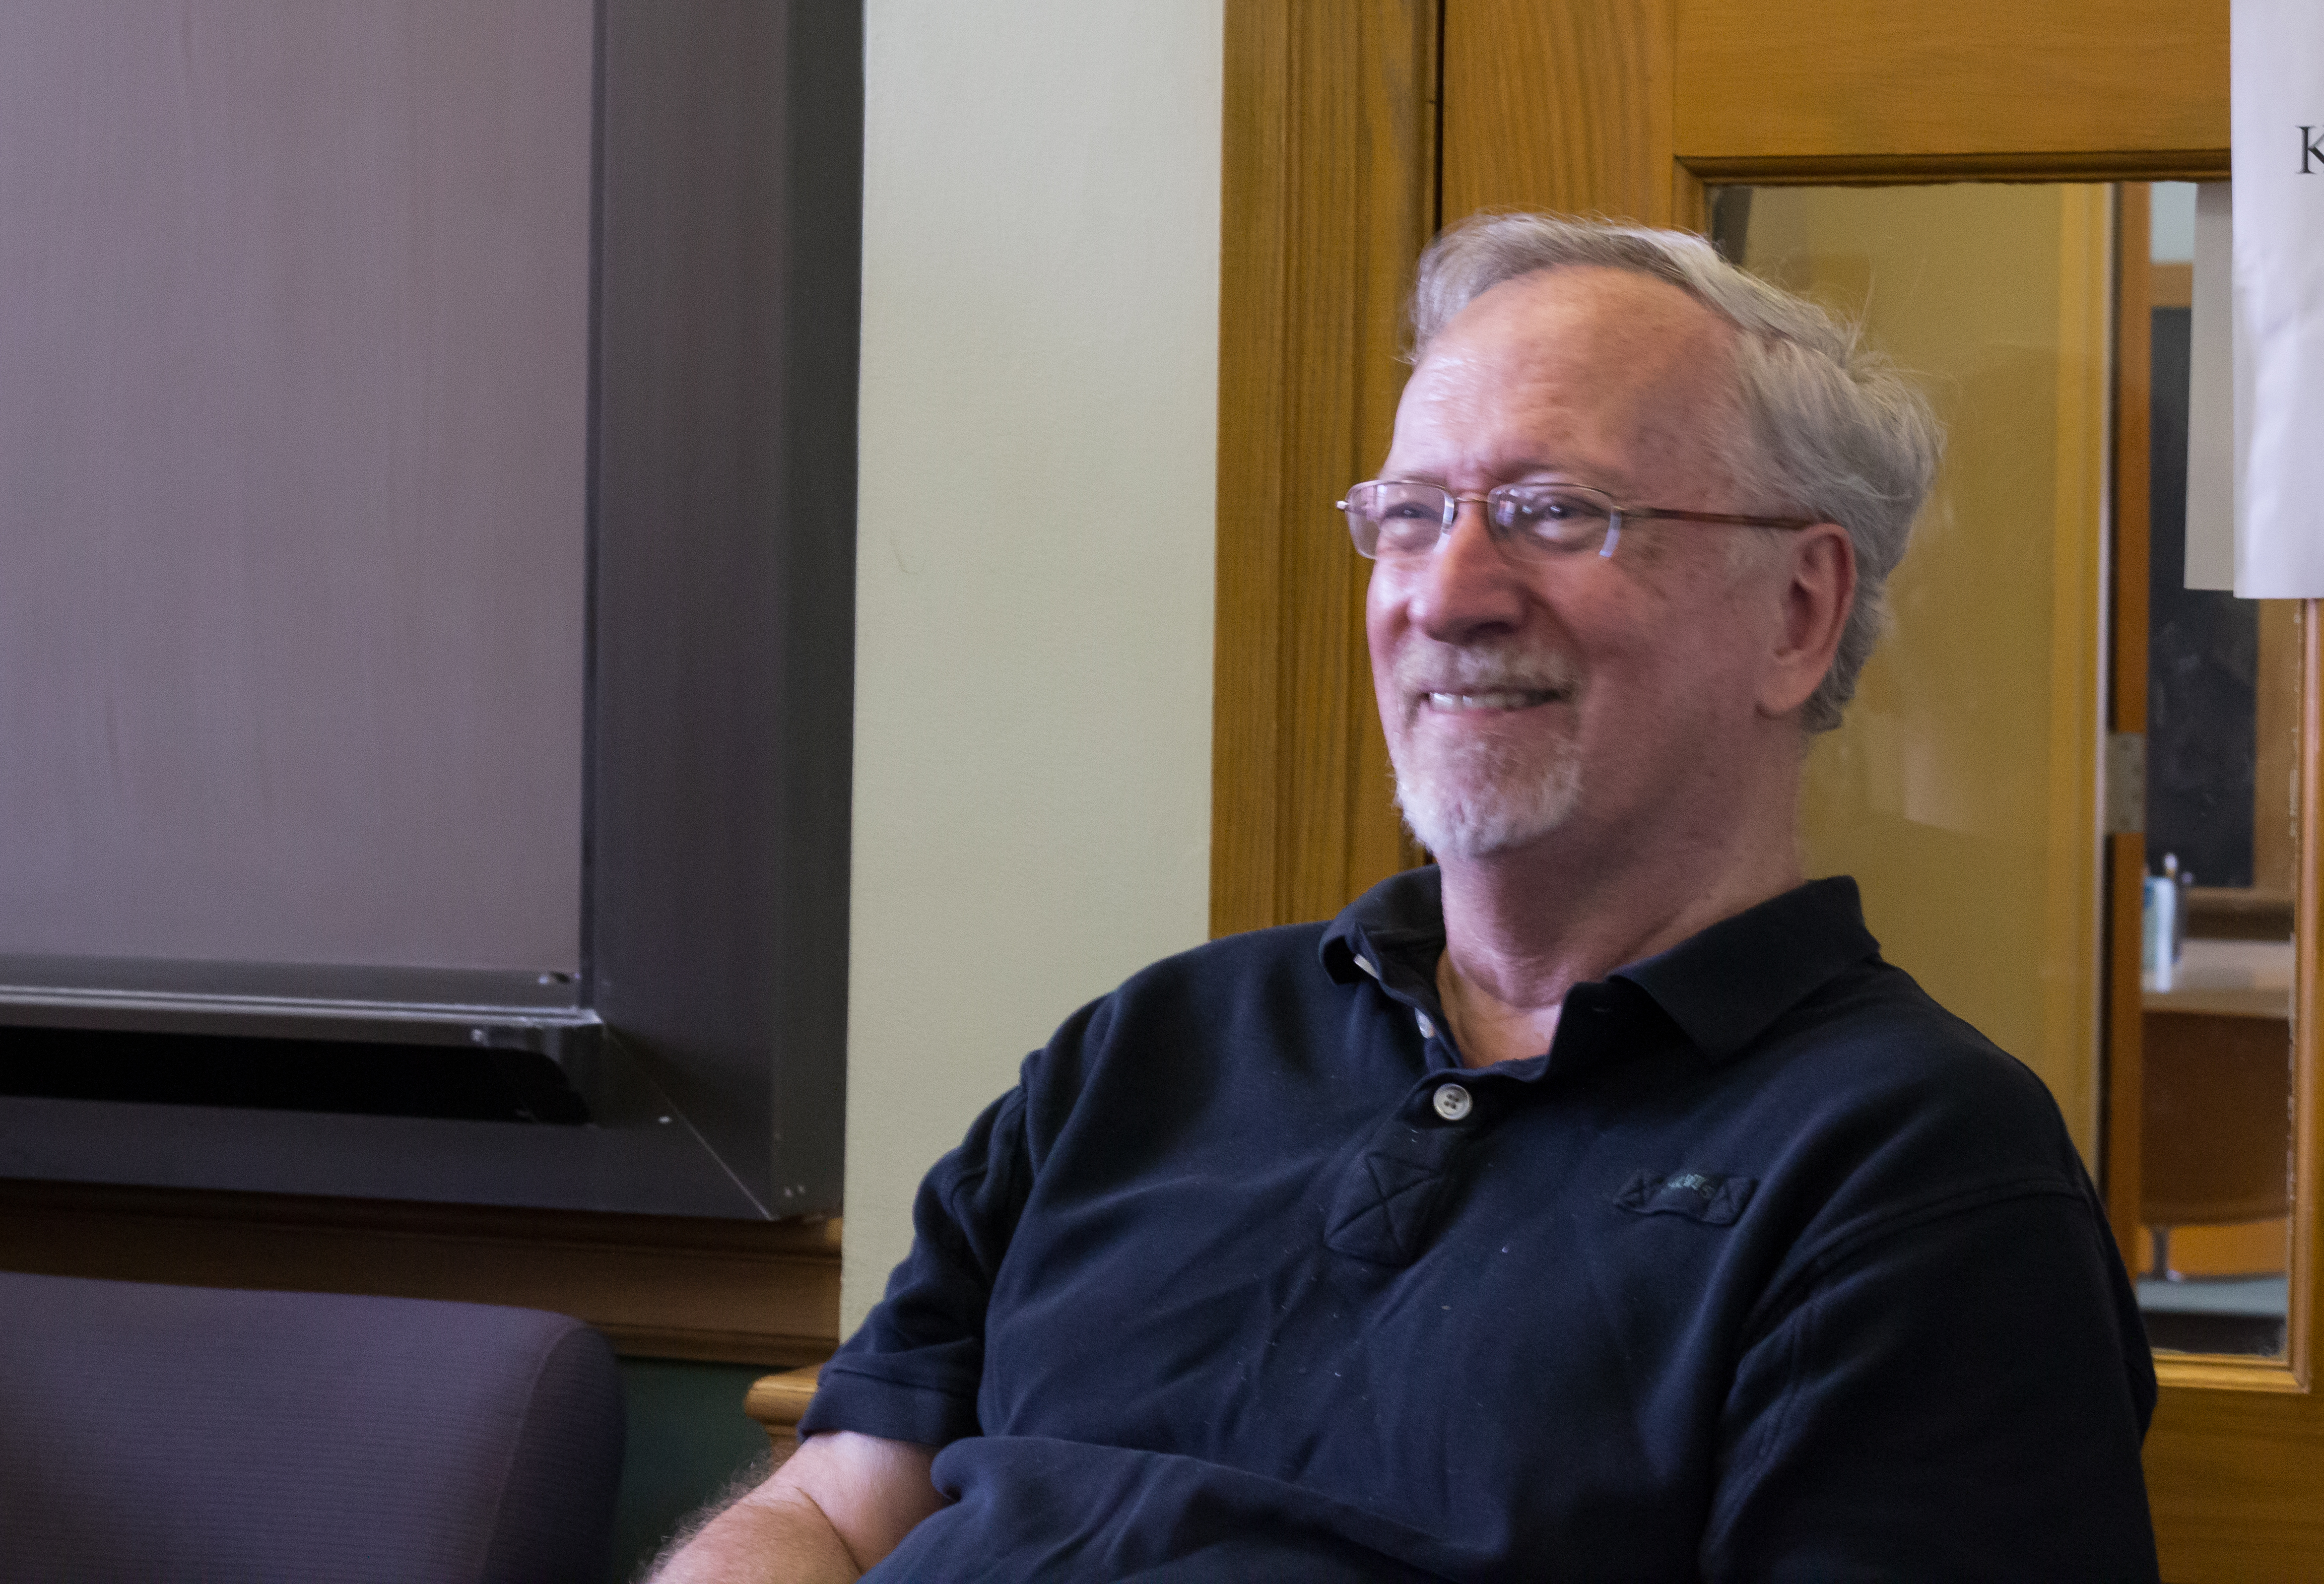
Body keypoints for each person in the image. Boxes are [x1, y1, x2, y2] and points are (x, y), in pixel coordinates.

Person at [654, 214, 2160, 1581]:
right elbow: (831, 1514)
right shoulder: (1158, 1044)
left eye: (1559, 512)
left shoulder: (1914, 1169)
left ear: (1798, 611)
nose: (1447, 595)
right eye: (1414, 513)